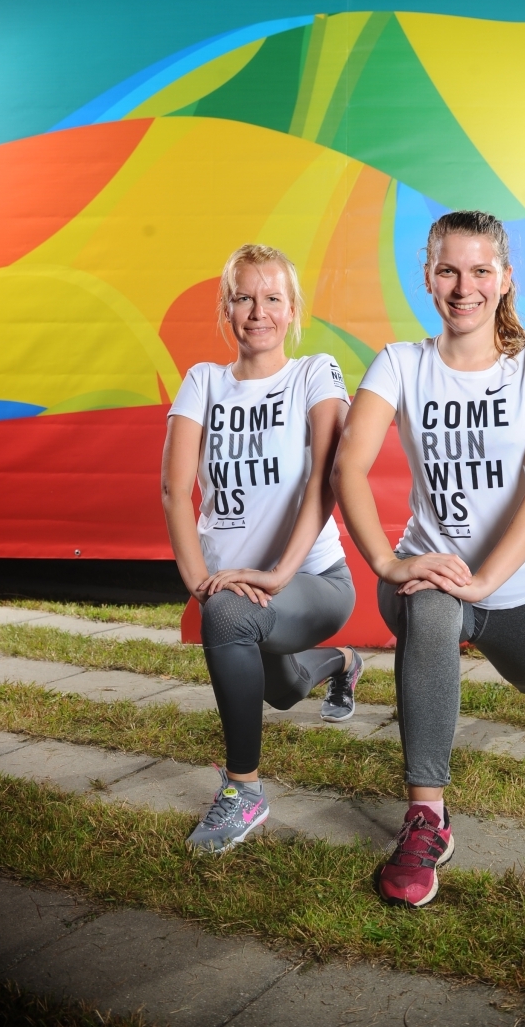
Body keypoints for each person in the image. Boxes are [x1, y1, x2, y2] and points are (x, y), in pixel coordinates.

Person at [331, 211, 525, 907]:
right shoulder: (399, 363)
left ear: (505, 279)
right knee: (431, 608)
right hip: (430, 568)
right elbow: (348, 467)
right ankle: (427, 816)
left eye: (479, 271)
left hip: (520, 591)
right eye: (448, 270)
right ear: (428, 277)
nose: (464, 287)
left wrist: (488, 581)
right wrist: (388, 564)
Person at [162, 244, 360, 854]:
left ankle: (243, 791)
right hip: (236, 589)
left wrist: (277, 574)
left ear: (292, 309)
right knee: (282, 689)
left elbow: (327, 478)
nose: (258, 312)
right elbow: (174, 490)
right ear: (227, 307)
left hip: (313, 582)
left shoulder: (315, 373)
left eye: (273, 298)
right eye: (244, 298)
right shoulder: (204, 381)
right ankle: (342, 664)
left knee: (231, 619)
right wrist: (199, 583)